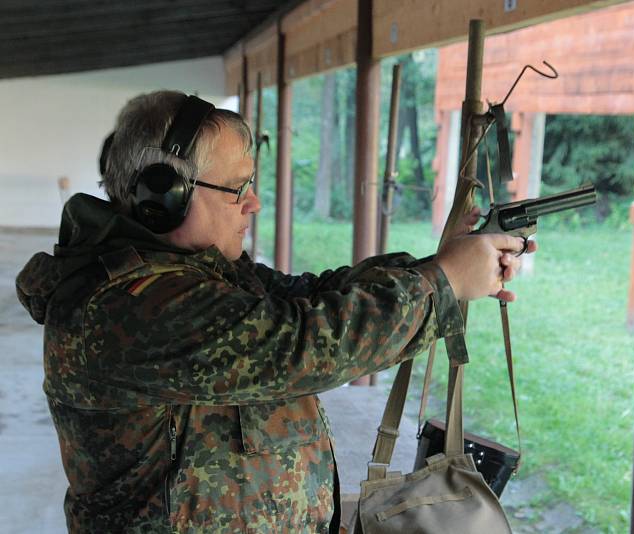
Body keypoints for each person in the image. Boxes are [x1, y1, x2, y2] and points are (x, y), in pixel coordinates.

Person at [16, 91, 533, 533]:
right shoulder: (126, 307)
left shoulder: (202, 272)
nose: (254, 203)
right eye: (237, 187)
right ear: (162, 197)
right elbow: (301, 343)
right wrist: (443, 282)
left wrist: (437, 265)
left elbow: (309, 296)